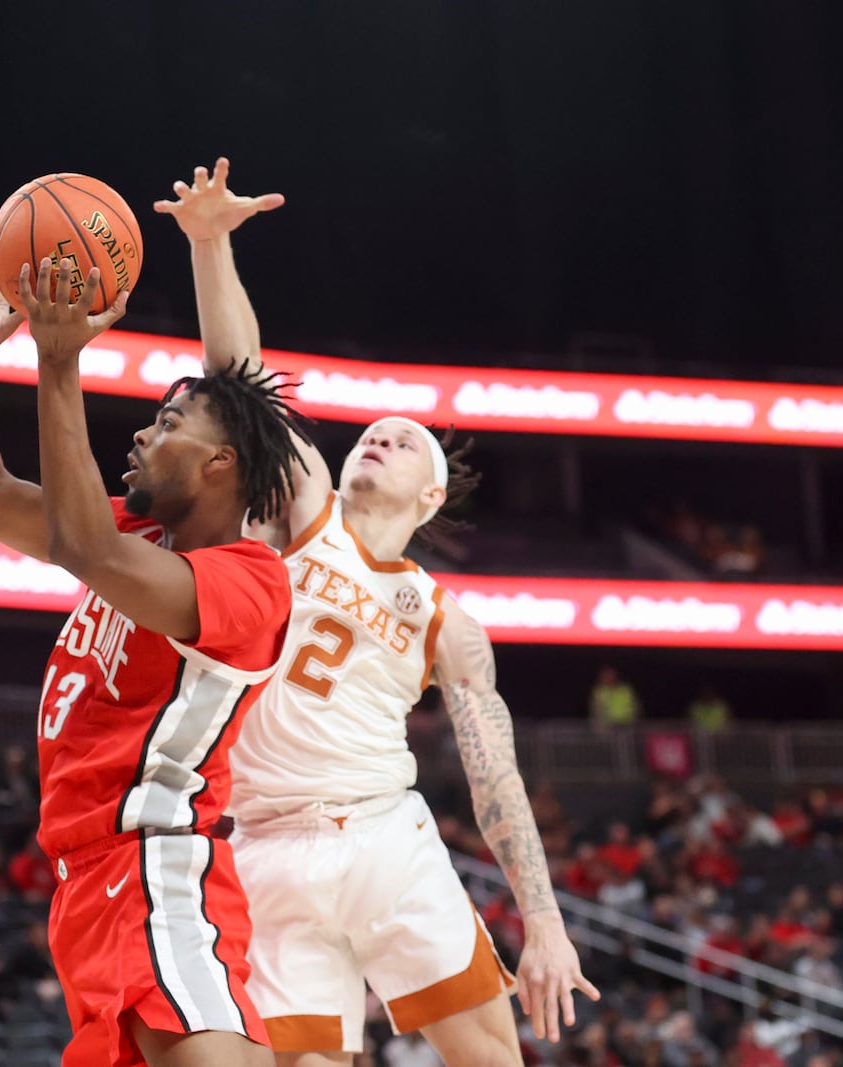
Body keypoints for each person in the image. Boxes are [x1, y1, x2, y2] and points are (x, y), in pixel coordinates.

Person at [157, 157, 597, 1065]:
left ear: (431, 498)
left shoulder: (448, 620)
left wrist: (545, 924)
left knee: (487, 1050)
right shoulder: (302, 508)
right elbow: (242, 378)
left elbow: (496, 783)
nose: (382, 437)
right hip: (265, 843)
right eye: (373, 433)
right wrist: (211, 246)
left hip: (383, 830)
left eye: (406, 442)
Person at [0, 232, 311, 1067]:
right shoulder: (138, 530)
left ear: (221, 463)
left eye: (168, 422)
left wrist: (59, 364)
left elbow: (86, 548)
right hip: (86, 881)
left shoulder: (252, 582)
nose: (142, 434)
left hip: (156, 862)